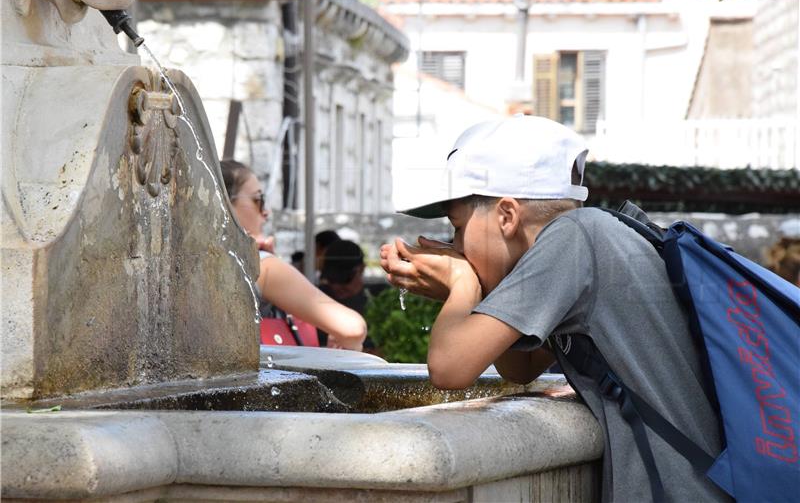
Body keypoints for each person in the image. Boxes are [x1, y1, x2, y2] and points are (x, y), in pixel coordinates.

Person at [379, 116, 729, 503]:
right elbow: (522, 369)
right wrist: (479, 294)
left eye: (458, 227)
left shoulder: (573, 239)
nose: (456, 244)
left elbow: (450, 368)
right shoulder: (597, 236)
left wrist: (462, 284)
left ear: (507, 215)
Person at [220, 160, 366, 351]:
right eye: (258, 200)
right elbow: (352, 328)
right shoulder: (262, 266)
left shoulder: (188, 262)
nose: (266, 212)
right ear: (225, 205)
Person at [318, 239, 379, 352]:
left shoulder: (378, 301)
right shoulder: (317, 301)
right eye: (331, 279)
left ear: (361, 269)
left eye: (344, 279)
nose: (336, 286)